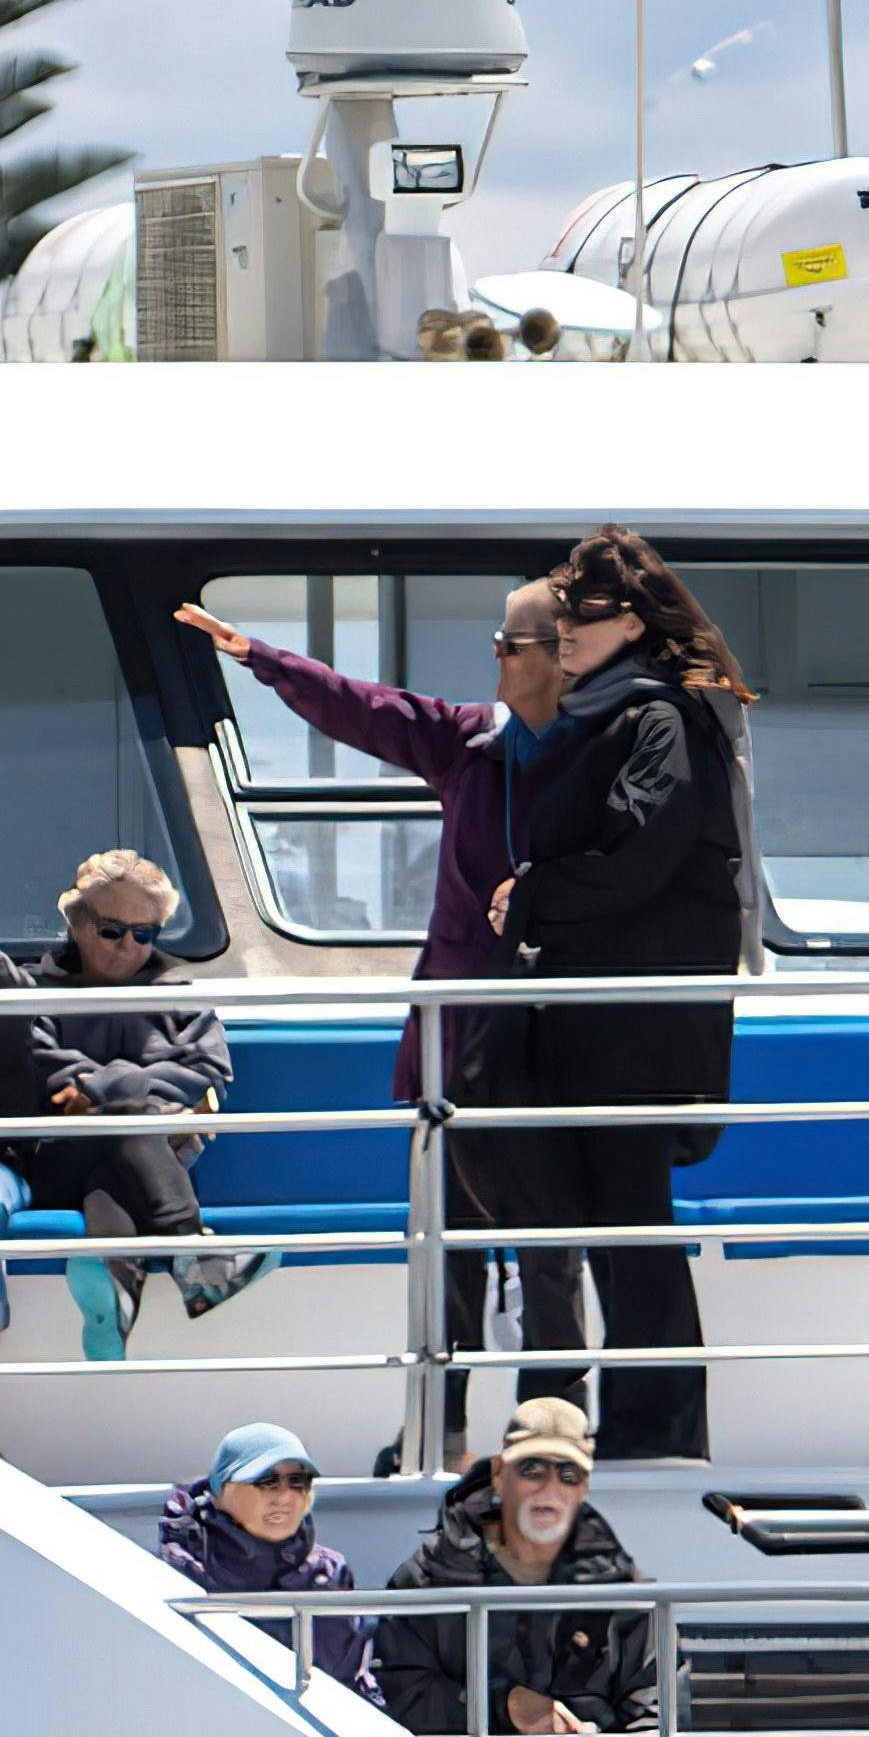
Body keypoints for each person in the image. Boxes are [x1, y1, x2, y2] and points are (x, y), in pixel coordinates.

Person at [185, 580, 573, 1387]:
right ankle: (448, 1428)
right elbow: (365, 708)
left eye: (510, 643)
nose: (494, 654)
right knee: (450, 1240)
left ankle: (552, 1429)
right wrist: (262, 657)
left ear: (561, 655)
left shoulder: (600, 753)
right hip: (458, 1032)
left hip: (552, 1039)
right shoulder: (468, 741)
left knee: (550, 1246)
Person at [475, 528, 758, 1464]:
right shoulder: (610, 713)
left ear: (631, 620)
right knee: (613, 1225)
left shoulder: (661, 718)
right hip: (599, 1022)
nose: (563, 634)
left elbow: (641, 853)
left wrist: (535, 893)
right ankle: (649, 1426)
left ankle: (657, 1432)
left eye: (579, 618)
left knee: (633, 1231)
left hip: (636, 1031)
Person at [374, 1394, 662, 1737]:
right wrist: (502, 1705)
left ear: (584, 1486)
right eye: (532, 1469)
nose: (549, 1487)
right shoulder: (429, 1580)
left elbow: (656, 1703)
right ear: (498, 1475)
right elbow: (397, 1692)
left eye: (567, 1474)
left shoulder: (621, 1590)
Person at [0, 850, 263, 1369]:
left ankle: (114, 1287)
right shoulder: (31, 994)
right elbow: (44, 1069)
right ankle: (192, 1249)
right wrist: (147, 1099)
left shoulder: (181, 997)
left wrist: (103, 1092)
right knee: (127, 1114)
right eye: (113, 930)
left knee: (115, 1163)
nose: (128, 947)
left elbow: (211, 1075)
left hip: (139, 1161)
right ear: (76, 922)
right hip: (58, 1159)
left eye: (144, 935)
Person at [154, 1416, 370, 1695]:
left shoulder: (331, 1572)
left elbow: (355, 1682)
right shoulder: (181, 1569)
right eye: (267, 1481)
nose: (284, 1496)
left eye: (297, 1481)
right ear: (221, 1491)